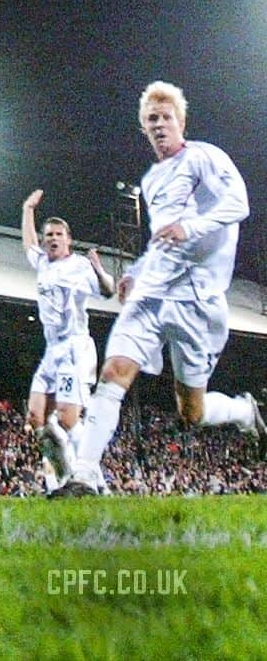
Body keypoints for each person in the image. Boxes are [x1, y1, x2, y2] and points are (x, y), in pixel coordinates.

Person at [54, 80, 266, 496]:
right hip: (152, 299)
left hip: (199, 305)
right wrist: (136, 271)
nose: (159, 125)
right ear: (144, 130)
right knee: (114, 373)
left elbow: (238, 203)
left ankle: (244, 411)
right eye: (151, 120)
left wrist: (191, 226)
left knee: (192, 412)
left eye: (165, 117)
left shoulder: (205, 157)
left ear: (180, 121)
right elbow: (160, 243)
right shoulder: (152, 181)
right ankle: (84, 475)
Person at [20, 188, 114, 491]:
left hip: (76, 347)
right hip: (52, 351)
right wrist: (27, 210)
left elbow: (109, 291)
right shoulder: (44, 263)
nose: (52, 238)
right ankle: (64, 479)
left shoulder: (80, 267)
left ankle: (94, 482)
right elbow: (28, 243)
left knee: (69, 419)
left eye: (58, 234)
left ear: (68, 239)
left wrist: (99, 270)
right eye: (49, 234)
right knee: (36, 419)